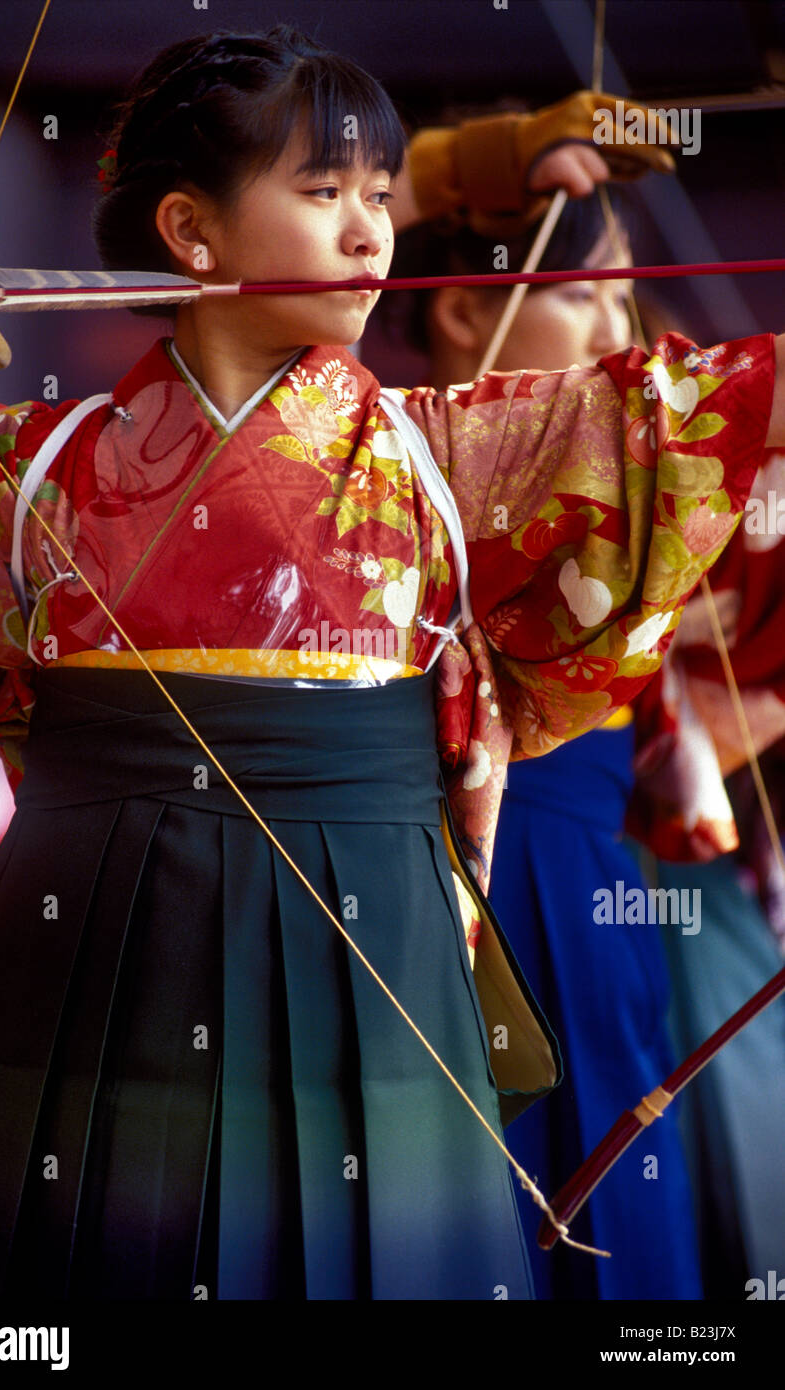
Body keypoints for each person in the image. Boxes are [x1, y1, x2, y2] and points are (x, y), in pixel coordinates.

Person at [0, 26, 782, 1301]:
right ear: (190, 233)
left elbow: (716, 411)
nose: (372, 234)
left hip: (377, 961)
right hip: (98, 959)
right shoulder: (21, 474)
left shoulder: (459, 458)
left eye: (381, 196)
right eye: (325, 194)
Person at [386, 195, 704, 1299]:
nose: (625, 329)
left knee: (612, 1152)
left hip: (576, 852)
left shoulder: (607, 447)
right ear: (470, 306)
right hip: (438, 854)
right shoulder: (388, 447)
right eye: (589, 292)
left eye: (627, 291)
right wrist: (488, 162)